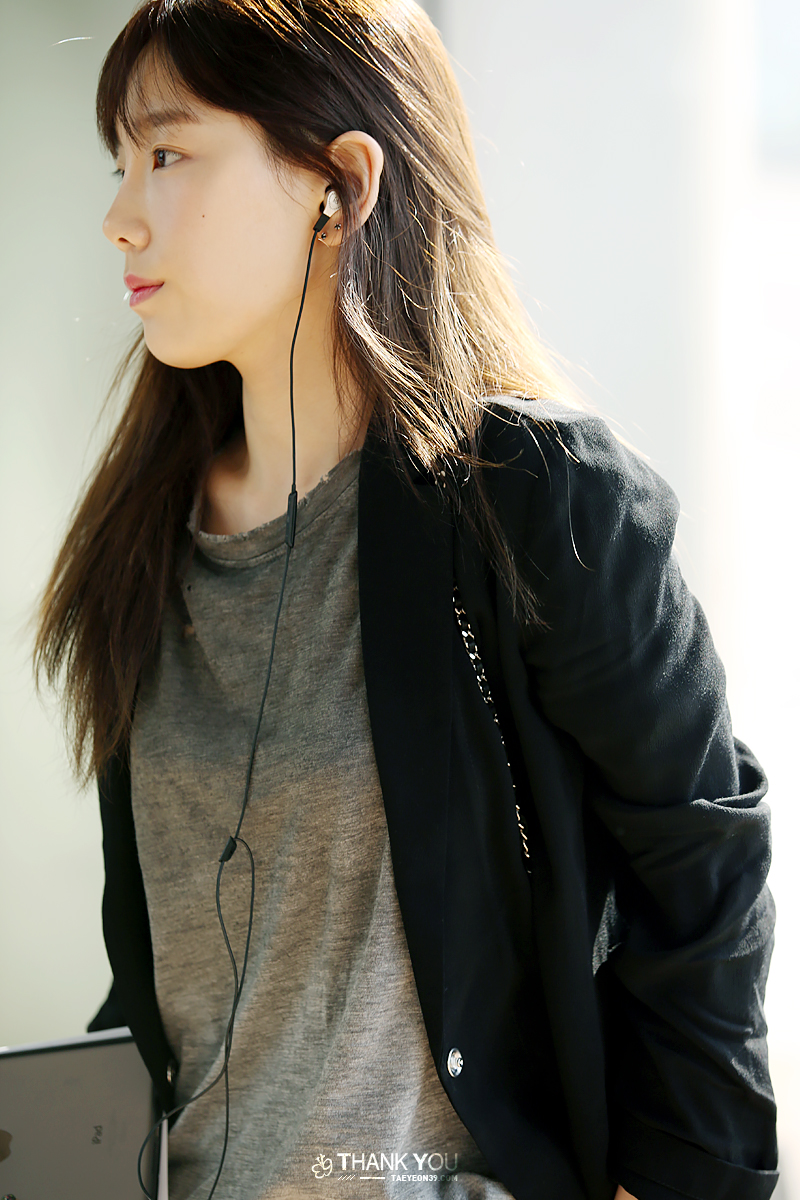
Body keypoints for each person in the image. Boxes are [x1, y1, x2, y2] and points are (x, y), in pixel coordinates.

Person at [32, 1, 779, 1198]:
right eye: (120, 163)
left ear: (339, 184)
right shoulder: (144, 539)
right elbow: (183, 976)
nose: (120, 214)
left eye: (166, 153)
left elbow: (700, 857)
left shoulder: (533, 498)